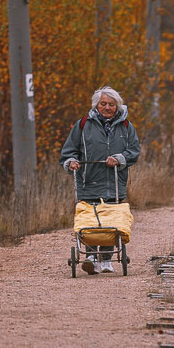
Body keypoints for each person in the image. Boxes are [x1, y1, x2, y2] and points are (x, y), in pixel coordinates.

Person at [60, 86, 141, 273]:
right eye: (103, 103)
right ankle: (90, 258)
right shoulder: (82, 125)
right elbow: (68, 152)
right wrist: (71, 162)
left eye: (111, 104)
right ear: (96, 105)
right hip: (88, 182)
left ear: (117, 106)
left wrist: (120, 158)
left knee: (110, 221)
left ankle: (106, 260)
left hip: (114, 182)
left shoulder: (127, 127)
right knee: (90, 221)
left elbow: (134, 152)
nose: (107, 107)